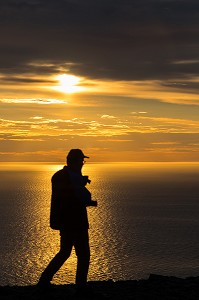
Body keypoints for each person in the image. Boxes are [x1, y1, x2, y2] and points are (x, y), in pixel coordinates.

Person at [38, 149, 97, 295]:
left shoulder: (62, 176)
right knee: (83, 253)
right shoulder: (69, 177)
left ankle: (44, 280)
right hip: (75, 221)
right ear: (75, 162)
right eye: (81, 161)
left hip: (66, 221)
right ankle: (81, 286)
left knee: (65, 252)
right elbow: (72, 197)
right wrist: (85, 197)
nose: (83, 164)